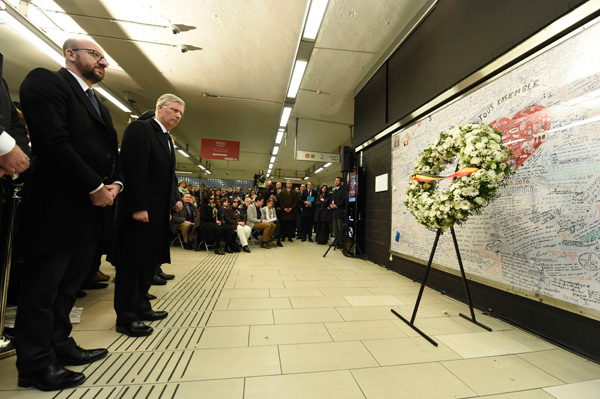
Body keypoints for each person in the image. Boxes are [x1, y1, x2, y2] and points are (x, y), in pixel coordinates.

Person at [16, 39, 122, 391]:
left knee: (68, 288)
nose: (103, 62)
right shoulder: (46, 82)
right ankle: (34, 362)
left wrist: (115, 184)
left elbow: (110, 152)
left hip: (89, 213)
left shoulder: (99, 104)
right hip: (56, 207)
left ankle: (59, 344)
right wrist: (95, 186)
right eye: (97, 54)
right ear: (71, 54)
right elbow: (53, 142)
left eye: (105, 58)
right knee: (42, 290)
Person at [109, 93, 185, 338]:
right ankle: (126, 317)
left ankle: (142, 306)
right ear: (159, 107)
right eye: (174, 110)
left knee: (147, 264)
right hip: (139, 214)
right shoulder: (140, 130)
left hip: (157, 215)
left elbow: (165, 178)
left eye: (180, 113)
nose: (177, 116)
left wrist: (172, 202)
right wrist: (138, 206)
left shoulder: (165, 139)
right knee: (131, 266)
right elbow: (134, 170)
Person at [330, 176, 347, 243]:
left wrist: (336, 205)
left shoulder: (343, 190)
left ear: (341, 182)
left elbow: (343, 200)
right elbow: (332, 199)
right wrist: (331, 204)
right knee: (335, 228)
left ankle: (341, 243)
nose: (336, 181)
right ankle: (336, 242)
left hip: (340, 211)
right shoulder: (334, 190)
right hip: (334, 212)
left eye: (338, 180)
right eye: (335, 180)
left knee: (340, 227)